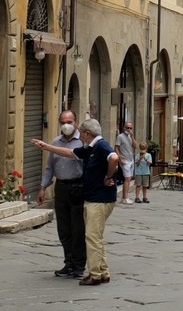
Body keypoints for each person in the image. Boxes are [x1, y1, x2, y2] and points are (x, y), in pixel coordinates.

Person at [35, 118, 120, 285]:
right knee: (97, 236)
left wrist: (108, 177)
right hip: (94, 197)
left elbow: (114, 158)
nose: (79, 135)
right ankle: (103, 272)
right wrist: (46, 147)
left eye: (81, 132)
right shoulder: (89, 148)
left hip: (99, 199)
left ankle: (94, 275)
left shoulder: (101, 145)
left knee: (92, 236)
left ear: (87, 134)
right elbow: (70, 153)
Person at [34, 110, 85, 278]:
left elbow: (73, 155)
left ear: (76, 122)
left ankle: (78, 265)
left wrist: (47, 146)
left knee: (77, 228)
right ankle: (68, 262)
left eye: (69, 121)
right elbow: (50, 167)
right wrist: (42, 187)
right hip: (61, 188)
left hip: (77, 187)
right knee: (63, 228)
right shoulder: (56, 141)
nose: (66, 125)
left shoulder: (83, 142)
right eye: (63, 122)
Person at [115, 121, 137, 205]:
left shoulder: (130, 137)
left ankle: (126, 197)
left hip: (131, 160)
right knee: (127, 179)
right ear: (124, 128)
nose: (129, 129)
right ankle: (124, 198)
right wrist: (120, 158)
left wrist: (132, 137)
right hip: (125, 160)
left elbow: (135, 146)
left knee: (129, 179)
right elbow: (116, 148)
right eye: (127, 127)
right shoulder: (120, 137)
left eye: (130, 128)